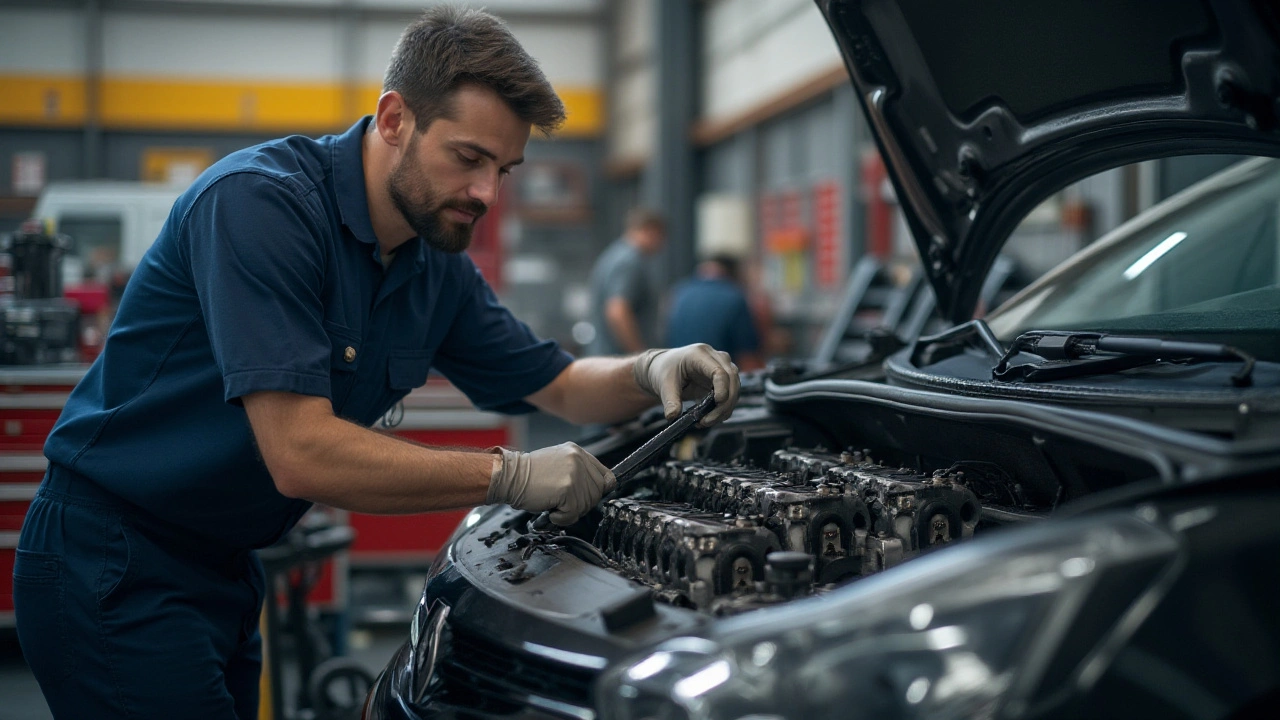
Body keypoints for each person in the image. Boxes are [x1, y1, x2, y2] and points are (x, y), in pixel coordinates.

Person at [12, 7, 740, 719]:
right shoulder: (262, 207)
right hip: (111, 559)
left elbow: (556, 382)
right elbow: (300, 453)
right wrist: (507, 474)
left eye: (505, 169)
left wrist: (649, 368)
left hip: (224, 566)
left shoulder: (433, 263)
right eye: (469, 158)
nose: (487, 194)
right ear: (395, 120)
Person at [585, 207, 666, 356]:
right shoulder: (630, 261)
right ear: (649, 230)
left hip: (605, 358)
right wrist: (640, 356)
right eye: (660, 236)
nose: (661, 244)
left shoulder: (613, 254)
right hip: (618, 361)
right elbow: (617, 310)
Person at [666, 255, 764, 371]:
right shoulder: (734, 297)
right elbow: (747, 356)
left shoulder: (678, 293)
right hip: (719, 379)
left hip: (680, 376)